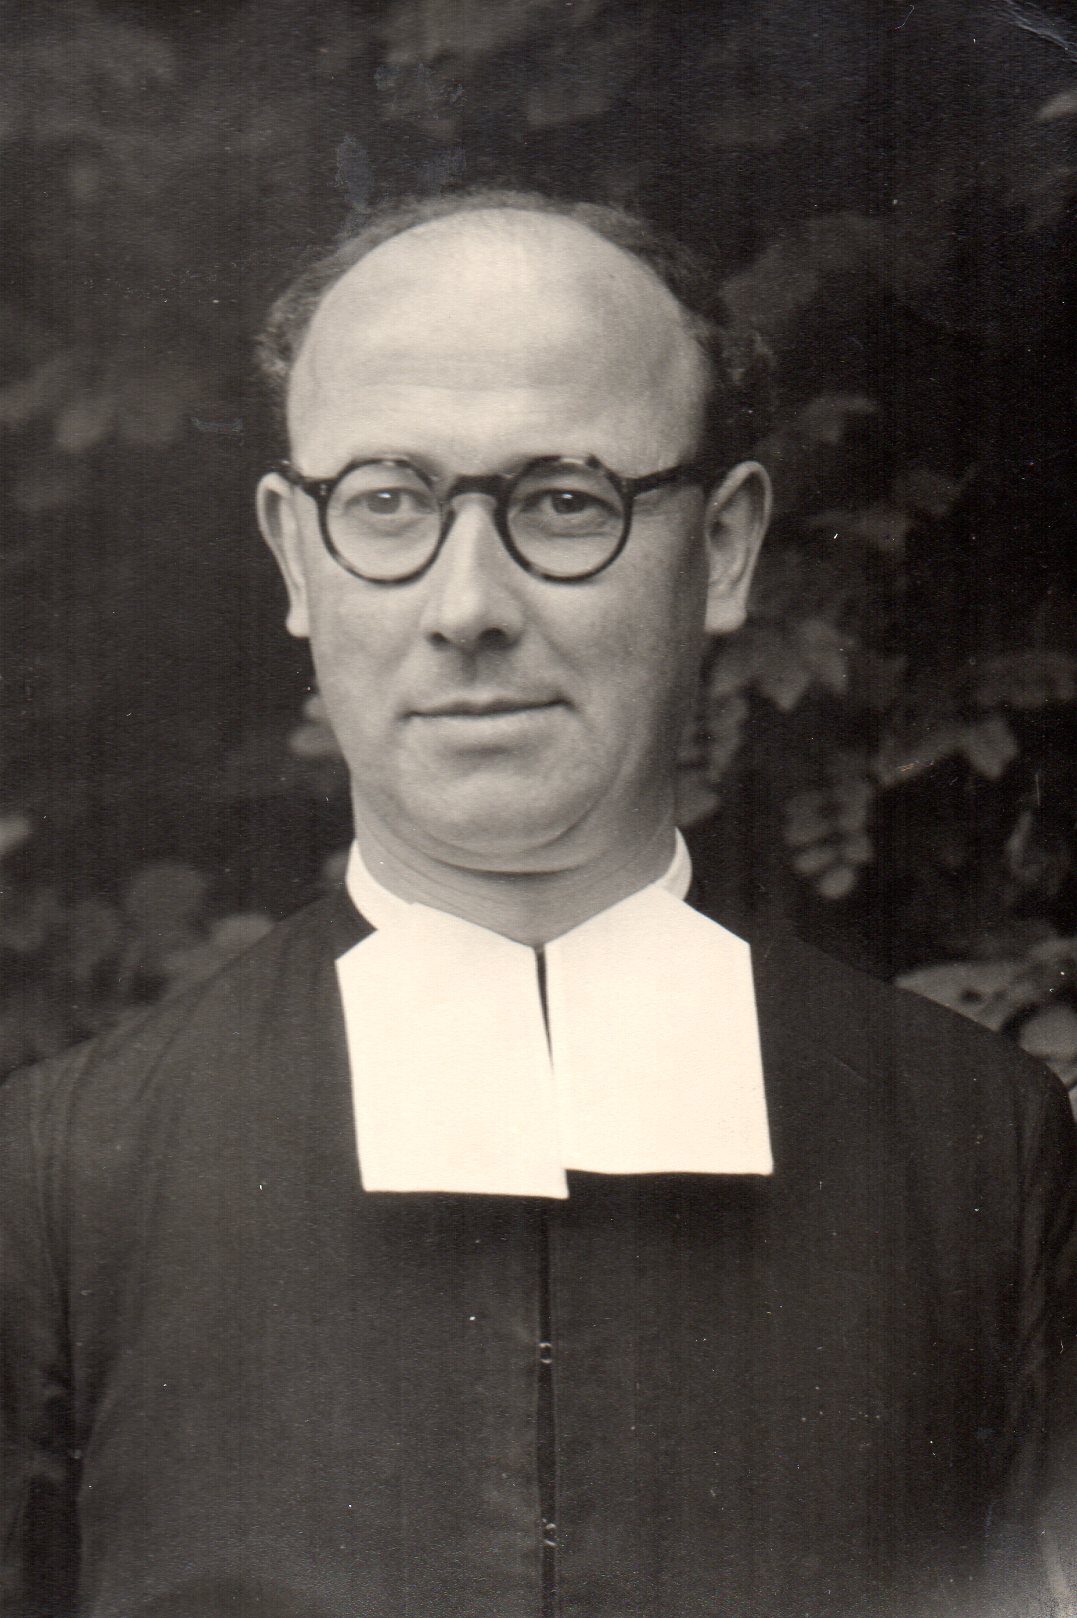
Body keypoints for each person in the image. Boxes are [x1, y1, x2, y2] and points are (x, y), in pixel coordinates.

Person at [1, 189, 1074, 1618]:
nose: (467, 606)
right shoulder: (58, 1179)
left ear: (725, 546)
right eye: (386, 501)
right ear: (295, 557)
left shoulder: (983, 1151)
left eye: (564, 500)